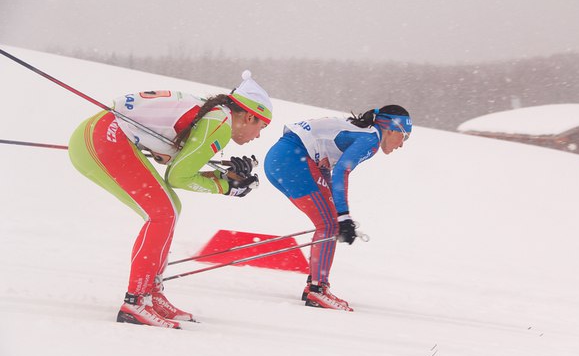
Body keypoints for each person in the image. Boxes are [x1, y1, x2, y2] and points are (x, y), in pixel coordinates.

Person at [68, 70, 272, 329]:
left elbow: (178, 165)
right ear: (249, 116)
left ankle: (150, 294)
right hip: (103, 137)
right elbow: (178, 177)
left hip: (99, 133)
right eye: (261, 127)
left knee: (169, 209)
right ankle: (136, 301)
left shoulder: (217, 115)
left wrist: (224, 176)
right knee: (162, 213)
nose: (258, 135)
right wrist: (226, 186)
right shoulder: (220, 124)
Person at [264, 105, 412, 311]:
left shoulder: (364, 132)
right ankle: (317, 289)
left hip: (283, 158)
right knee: (329, 225)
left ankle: (315, 283)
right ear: (391, 128)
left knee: (329, 223)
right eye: (405, 136)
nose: (403, 144)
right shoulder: (371, 139)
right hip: (292, 158)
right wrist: (343, 216)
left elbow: (327, 172)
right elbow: (341, 170)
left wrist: (342, 216)